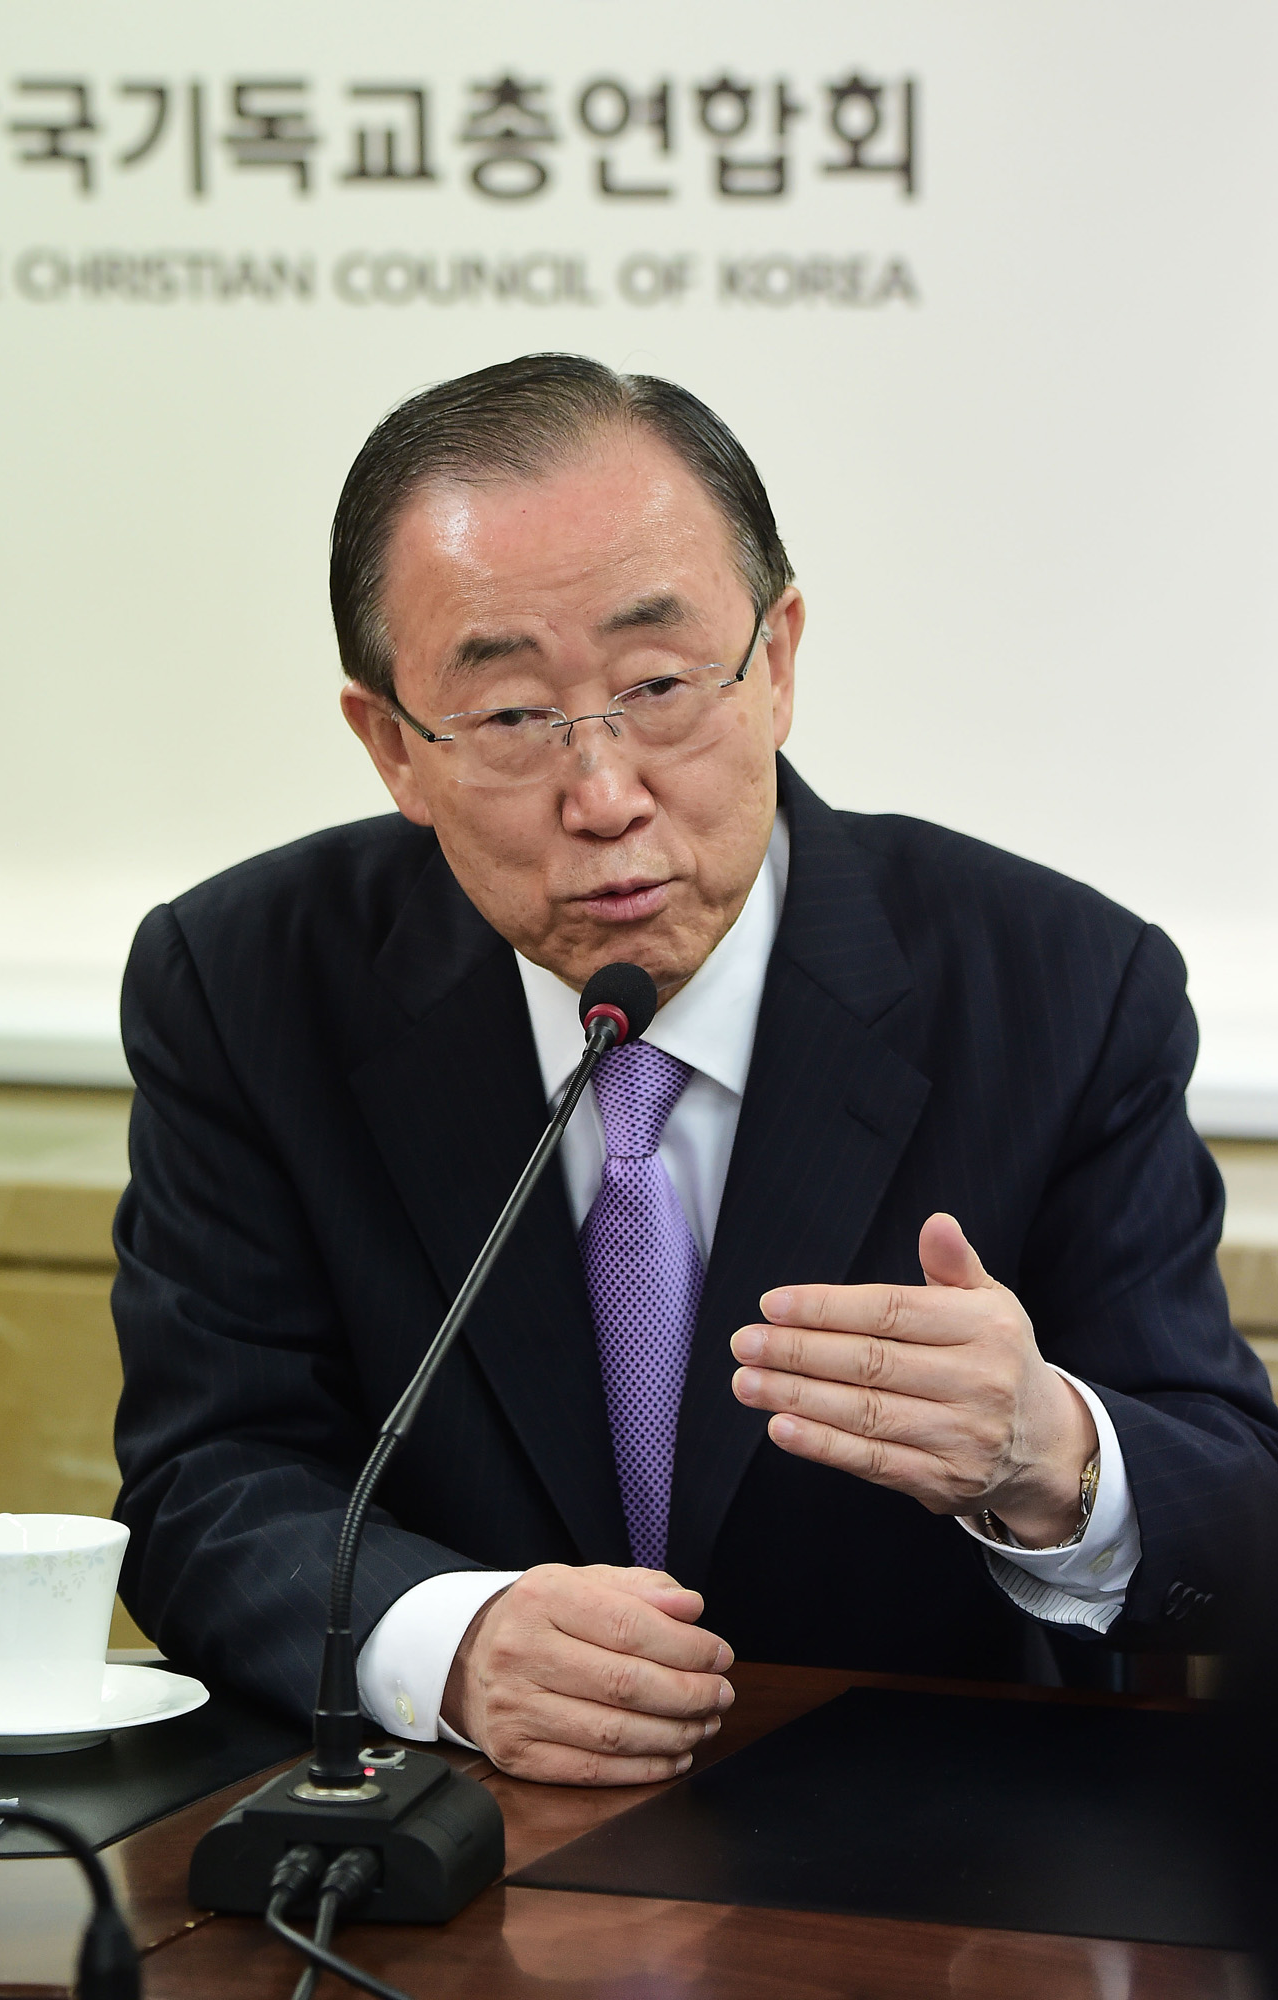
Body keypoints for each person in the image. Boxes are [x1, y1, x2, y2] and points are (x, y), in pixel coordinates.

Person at [111, 353, 1278, 1786]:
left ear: (776, 663)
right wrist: (451, 1640)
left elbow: (1240, 1517)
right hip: (453, 1842)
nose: (605, 797)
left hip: (930, 1849)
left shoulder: (1059, 985)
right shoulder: (246, 985)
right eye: (511, 716)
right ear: (392, 748)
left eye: (658, 686)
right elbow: (203, 1484)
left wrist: (1053, 1458)